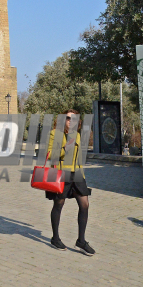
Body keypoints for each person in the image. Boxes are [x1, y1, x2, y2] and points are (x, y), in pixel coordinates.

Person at [46, 109, 95, 255]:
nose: (70, 121)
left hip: (77, 174)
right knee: (59, 204)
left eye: (74, 119)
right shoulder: (55, 134)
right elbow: (49, 155)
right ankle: (55, 238)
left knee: (84, 204)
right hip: (62, 174)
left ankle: (81, 240)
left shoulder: (78, 135)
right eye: (68, 118)